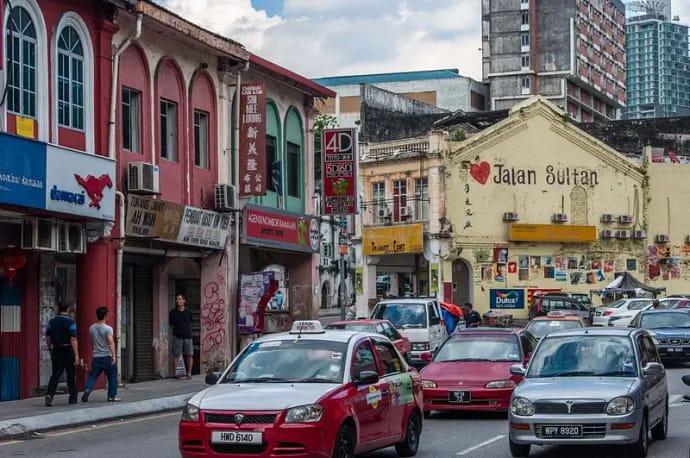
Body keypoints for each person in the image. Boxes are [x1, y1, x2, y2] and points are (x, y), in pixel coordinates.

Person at [81, 306, 121, 402]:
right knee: (112, 377)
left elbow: (91, 341)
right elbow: (111, 342)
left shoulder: (92, 328)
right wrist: (114, 356)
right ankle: (111, 396)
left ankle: (87, 389)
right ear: (106, 315)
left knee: (93, 375)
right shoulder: (108, 328)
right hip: (107, 356)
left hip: (96, 357)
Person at [45, 303, 80, 406]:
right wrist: (76, 355)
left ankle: (49, 394)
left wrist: (50, 348)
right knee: (70, 374)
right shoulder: (71, 322)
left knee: (55, 374)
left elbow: (48, 337)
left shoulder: (52, 322)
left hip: (56, 349)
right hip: (68, 349)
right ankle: (73, 397)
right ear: (68, 309)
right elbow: (73, 338)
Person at [169, 293, 194, 380]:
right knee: (176, 355)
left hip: (188, 336)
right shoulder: (173, 312)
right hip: (177, 336)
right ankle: (175, 373)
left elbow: (191, 321)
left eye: (180, 299)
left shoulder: (189, 312)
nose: (178, 301)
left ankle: (189, 373)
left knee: (189, 355)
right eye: (177, 299)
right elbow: (171, 324)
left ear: (184, 301)